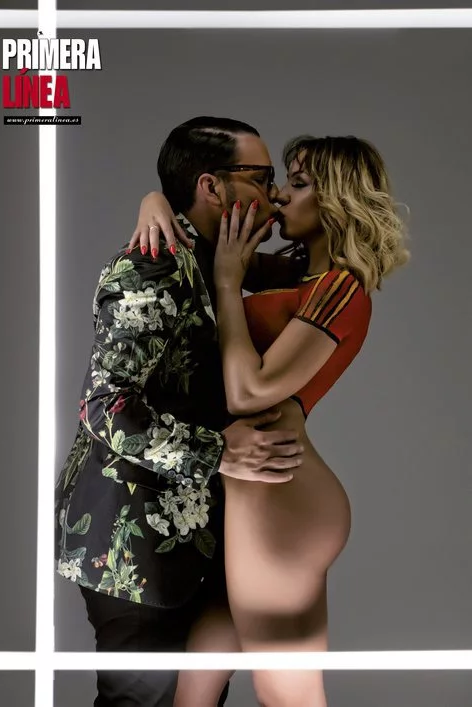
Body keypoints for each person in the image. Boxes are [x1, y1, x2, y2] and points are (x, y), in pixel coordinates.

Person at [128, 133, 410, 707]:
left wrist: (229, 285)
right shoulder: (295, 274)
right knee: (195, 688)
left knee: (286, 693)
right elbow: (203, 251)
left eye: (298, 184)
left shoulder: (340, 290)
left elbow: (248, 391)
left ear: (335, 200)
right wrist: (154, 202)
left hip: (278, 495)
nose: (278, 195)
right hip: (257, 493)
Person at [54, 116, 305, 707]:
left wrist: (156, 196)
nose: (273, 194)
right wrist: (218, 453)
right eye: (261, 177)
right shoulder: (154, 263)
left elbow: (311, 266)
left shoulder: (219, 259)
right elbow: (105, 405)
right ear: (211, 186)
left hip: (193, 535)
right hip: (132, 538)